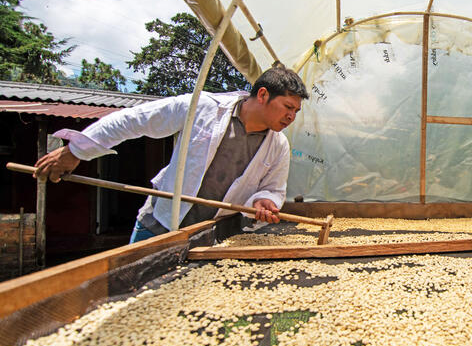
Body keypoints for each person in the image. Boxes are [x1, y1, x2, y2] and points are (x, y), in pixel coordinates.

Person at [33, 61, 309, 243]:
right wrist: (77, 150)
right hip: (159, 226)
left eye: (296, 111)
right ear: (262, 95)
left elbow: (273, 189)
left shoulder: (278, 146)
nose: (291, 117)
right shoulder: (204, 108)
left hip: (209, 235)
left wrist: (262, 201)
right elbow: (134, 119)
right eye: (287, 107)